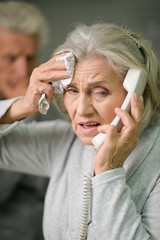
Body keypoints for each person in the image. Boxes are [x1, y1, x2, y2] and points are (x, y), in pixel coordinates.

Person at [0, 22, 160, 240]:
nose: (82, 110)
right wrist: (22, 106)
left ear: (137, 89)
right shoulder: (65, 142)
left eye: (100, 92)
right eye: (72, 90)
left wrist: (108, 172)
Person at [0, 1, 51, 239]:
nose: (23, 70)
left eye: (30, 58)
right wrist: (20, 111)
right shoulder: (30, 104)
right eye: (10, 58)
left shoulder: (46, 102)